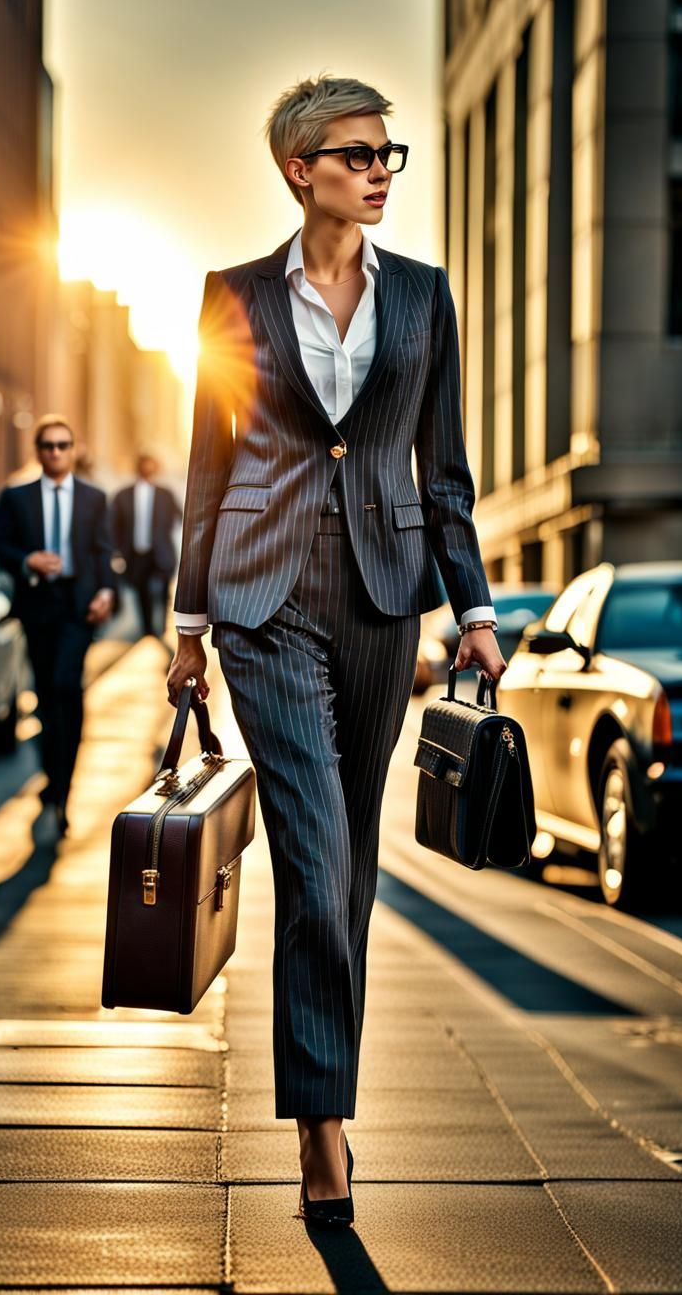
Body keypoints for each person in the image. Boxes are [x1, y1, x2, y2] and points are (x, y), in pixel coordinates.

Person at [166, 74, 507, 1228]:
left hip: (380, 596)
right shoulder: (234, 297)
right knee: (312, 858)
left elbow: (443, 472)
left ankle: (329, 1092)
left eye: (389, 154)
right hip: (263, 601)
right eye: (359, 154)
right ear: (299, 169)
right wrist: (187, 624)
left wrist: (472, 610)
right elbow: (208, 467)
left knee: (350, 870)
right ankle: (323, 1131)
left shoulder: (421, 298)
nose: (380, 171)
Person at [0, 414, 116, 837]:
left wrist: (107, 592)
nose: (56, 452)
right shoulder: (16, 497)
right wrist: (28, 560)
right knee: (45, 692)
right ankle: (51, 773)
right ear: (38, 451)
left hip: (78, 607)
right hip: (38, 605)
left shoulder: (94, 498)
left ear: (73, 449)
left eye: (63, 445)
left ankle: (63, 788)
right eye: (48, 446)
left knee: (66, 685)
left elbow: (104, 551)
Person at [110, 453, 183, 639]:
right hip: (135, 554)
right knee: (141, 591)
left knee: (163, 591)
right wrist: (117, 551)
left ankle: (164, 629)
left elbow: (180, 517)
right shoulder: (123, 495)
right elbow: (113, 525)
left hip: (160, 553)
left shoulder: (165, 494)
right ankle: (148, 631)